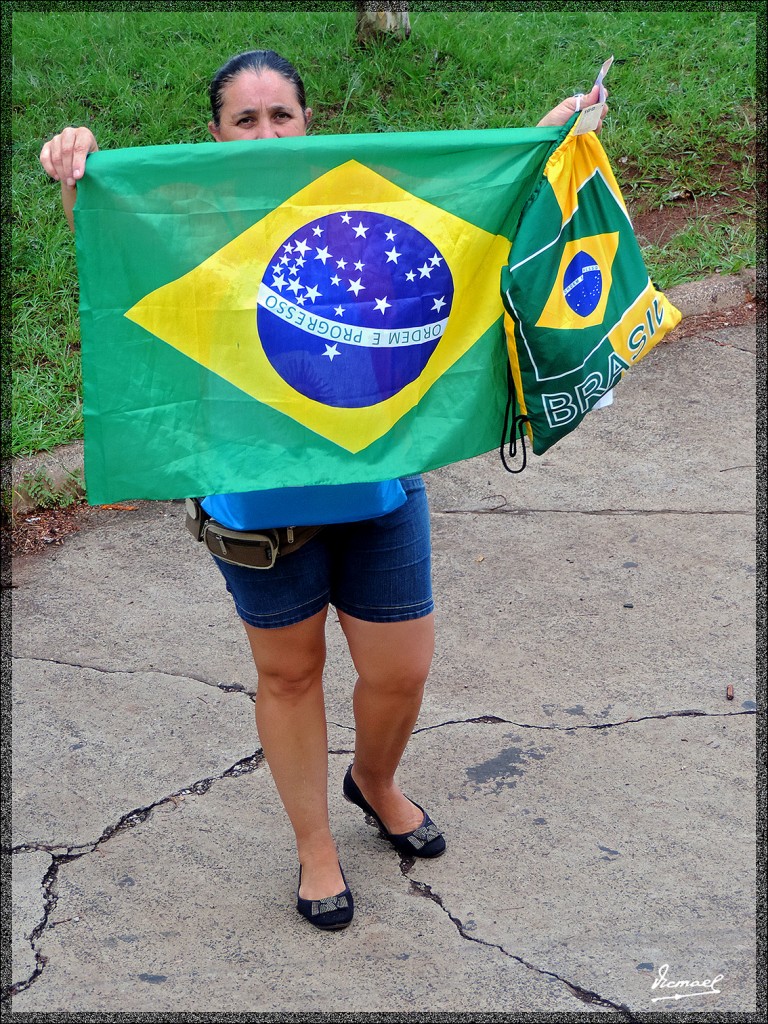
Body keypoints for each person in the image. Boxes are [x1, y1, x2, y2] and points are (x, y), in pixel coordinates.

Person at [40, 49, 608, 931]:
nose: (266, 133)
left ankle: (373, 782)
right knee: (290, 674)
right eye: (245, 119)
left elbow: (461, 222)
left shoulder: (357, 210)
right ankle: (315, 846)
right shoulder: (190, 220)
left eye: (283, 116)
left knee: (400, 673)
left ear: (309, 125)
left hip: (377, 494)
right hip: (258, 513)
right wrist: (79, 167)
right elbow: (113, 232)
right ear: (215, 135)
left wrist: (540, 142)